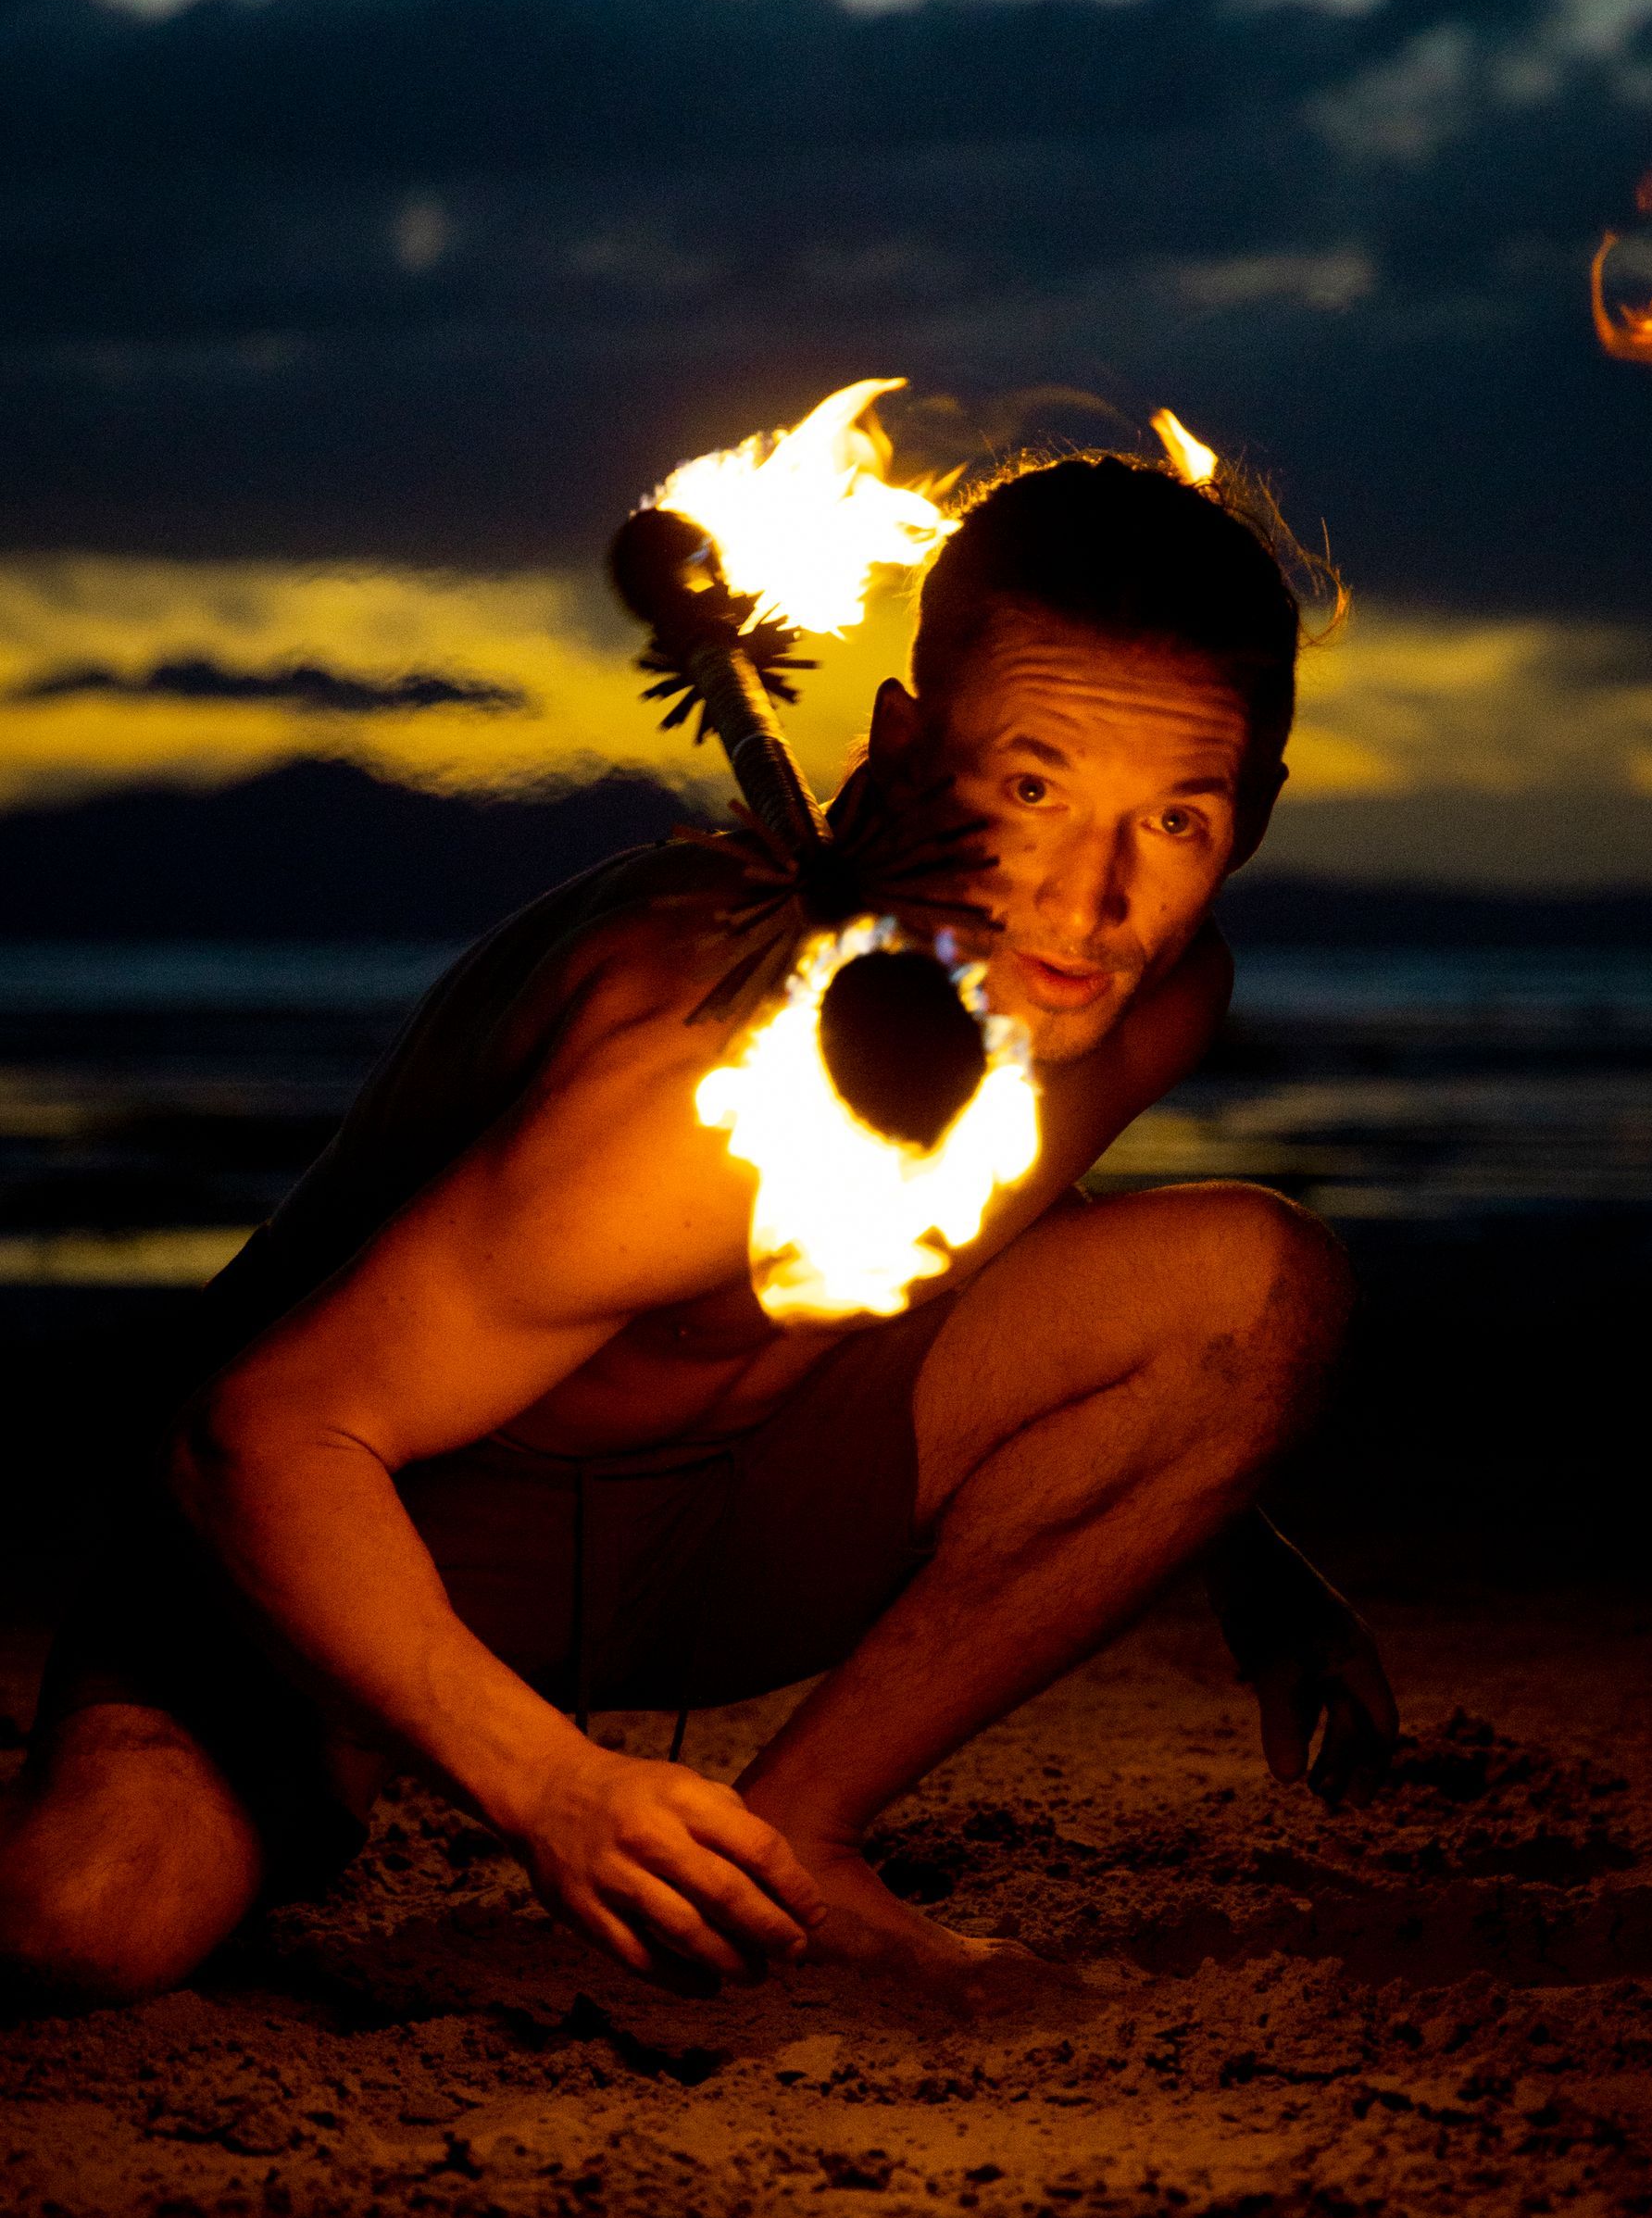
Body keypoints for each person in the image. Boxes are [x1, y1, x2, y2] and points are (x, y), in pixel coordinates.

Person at [0, 453, 1398, 2008]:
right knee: (90, 1914)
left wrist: (1233, 1546)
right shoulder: (692, 1081)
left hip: (739, 1526)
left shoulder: (1154, 1000)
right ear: (905, 745)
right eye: (1033, 787)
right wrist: (551, 1791)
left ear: (1250, 821)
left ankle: (796, 1839)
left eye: (1177, 821)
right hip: (361, 1549)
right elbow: (252, 1441)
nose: (1092, 899)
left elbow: (985, 1206)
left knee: (1260, 1287)